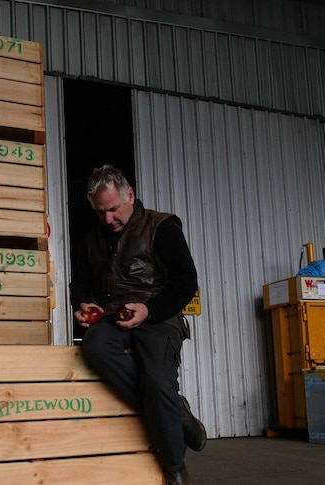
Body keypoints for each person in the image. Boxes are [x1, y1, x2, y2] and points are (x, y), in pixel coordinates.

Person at [69, 164, 205, 485]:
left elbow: (186, 282)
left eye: (113, 209)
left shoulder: (161, 227)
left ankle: (174, 468)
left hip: (158, 316)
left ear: (130, 195)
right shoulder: (91, 239)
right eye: (100, 212)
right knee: (95, 346)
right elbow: (82, 284)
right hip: (113, 316)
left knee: (158, 381)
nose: (108, 219)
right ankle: (174, 410)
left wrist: (149, 309)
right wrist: (85, 304)